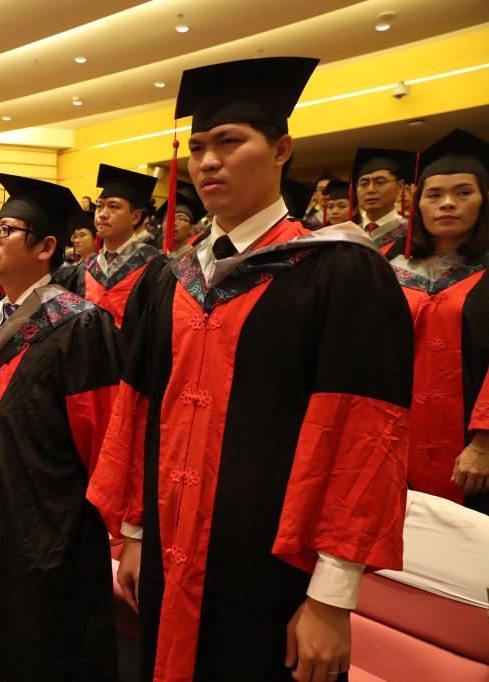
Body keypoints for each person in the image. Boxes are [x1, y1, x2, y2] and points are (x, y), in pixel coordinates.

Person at [87, 57, 414, 682]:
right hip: (168, 546)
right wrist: (134, 533)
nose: (209, 162)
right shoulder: (171, 278)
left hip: (272, 567)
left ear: (282, 149)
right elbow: (139, 408)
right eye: (198, 148)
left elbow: (363, 438)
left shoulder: (341, 270)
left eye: (230, 142)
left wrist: (331, 599)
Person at [0, 173, 122, 681]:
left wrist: (119, 536)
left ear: (46, 247)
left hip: (53, 527)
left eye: (6, 230)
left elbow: (103, 438)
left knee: (46, 644)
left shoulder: (79, 324)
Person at [388, 128, 489, 513]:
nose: (447, 204)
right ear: (418, 204)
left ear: (484, 200)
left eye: (463, 193)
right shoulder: (387, 265)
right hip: (395, 439)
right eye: (434, 195)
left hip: (473, 450)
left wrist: (484, 443)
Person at [81, 164, 167, 347]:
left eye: (113, 207)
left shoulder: (156, 265)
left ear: (135, 217)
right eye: (99, 206)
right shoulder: (86, 267)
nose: (102, 214)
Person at [353, 147, 416, 253]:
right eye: (364, 184)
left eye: (380, 182)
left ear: (400, 187)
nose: (370, 190)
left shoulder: (414, 233)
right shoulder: (350, 235)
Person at [154, 179, 207, 259]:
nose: (173, 223)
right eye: (168, 219)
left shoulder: (196, 259)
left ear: (191, 228)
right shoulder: (154, 257)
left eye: (181, 218)